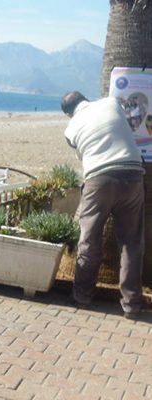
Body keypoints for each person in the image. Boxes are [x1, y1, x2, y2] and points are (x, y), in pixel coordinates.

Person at [61, 91, 145, 319]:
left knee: (89, 239)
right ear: (85, 99)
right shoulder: (111, 102)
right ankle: (132, 304)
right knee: (131, 242)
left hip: (99, 179)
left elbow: (81, 151)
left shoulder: (70, 128)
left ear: (69, 114)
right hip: (133, 174)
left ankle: (81, 296)